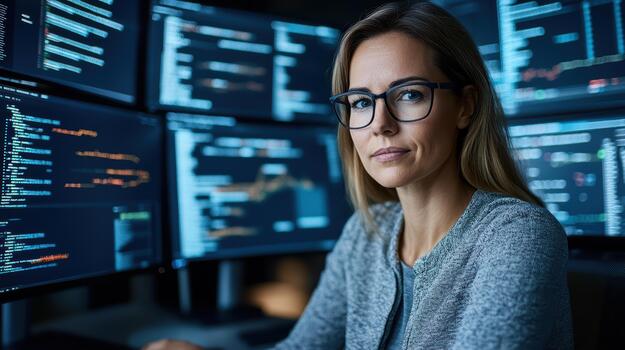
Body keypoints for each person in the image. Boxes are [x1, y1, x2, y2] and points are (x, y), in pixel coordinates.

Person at [144, 1, 573, 349]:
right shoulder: (366, 234)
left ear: (464, 106)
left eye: (408, 94)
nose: (380, 124)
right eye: (362, 102)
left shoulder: (518, 235)